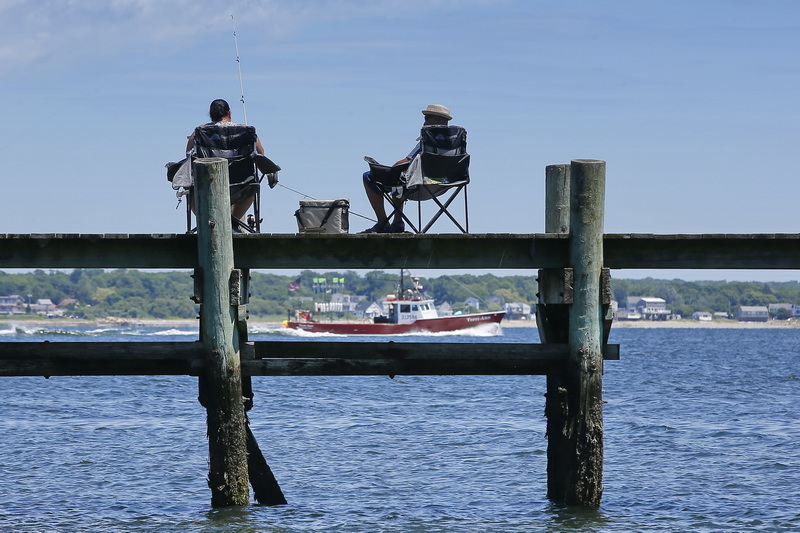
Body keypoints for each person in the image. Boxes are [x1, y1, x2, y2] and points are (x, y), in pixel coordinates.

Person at [360, 104, 453, 233]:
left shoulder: (428, 138)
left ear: (437, 119)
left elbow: (407, 161)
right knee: (401, 178)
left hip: (422, 183)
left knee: (370, 176)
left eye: (427, 118)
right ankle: (397, 223)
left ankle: (383, 222)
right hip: (446, 183)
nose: (424, 122)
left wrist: (390, 169)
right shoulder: (455, 140)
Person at [186, 99, 265, 222]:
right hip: (241, 183)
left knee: (190, 191)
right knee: (252, 189)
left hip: (208, 183)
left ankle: (206, 222)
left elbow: (188, 153)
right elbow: (261, 153)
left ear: (211, 115)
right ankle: (233, 222)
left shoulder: (199, 131)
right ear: (229, 113)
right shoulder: (246, 130)